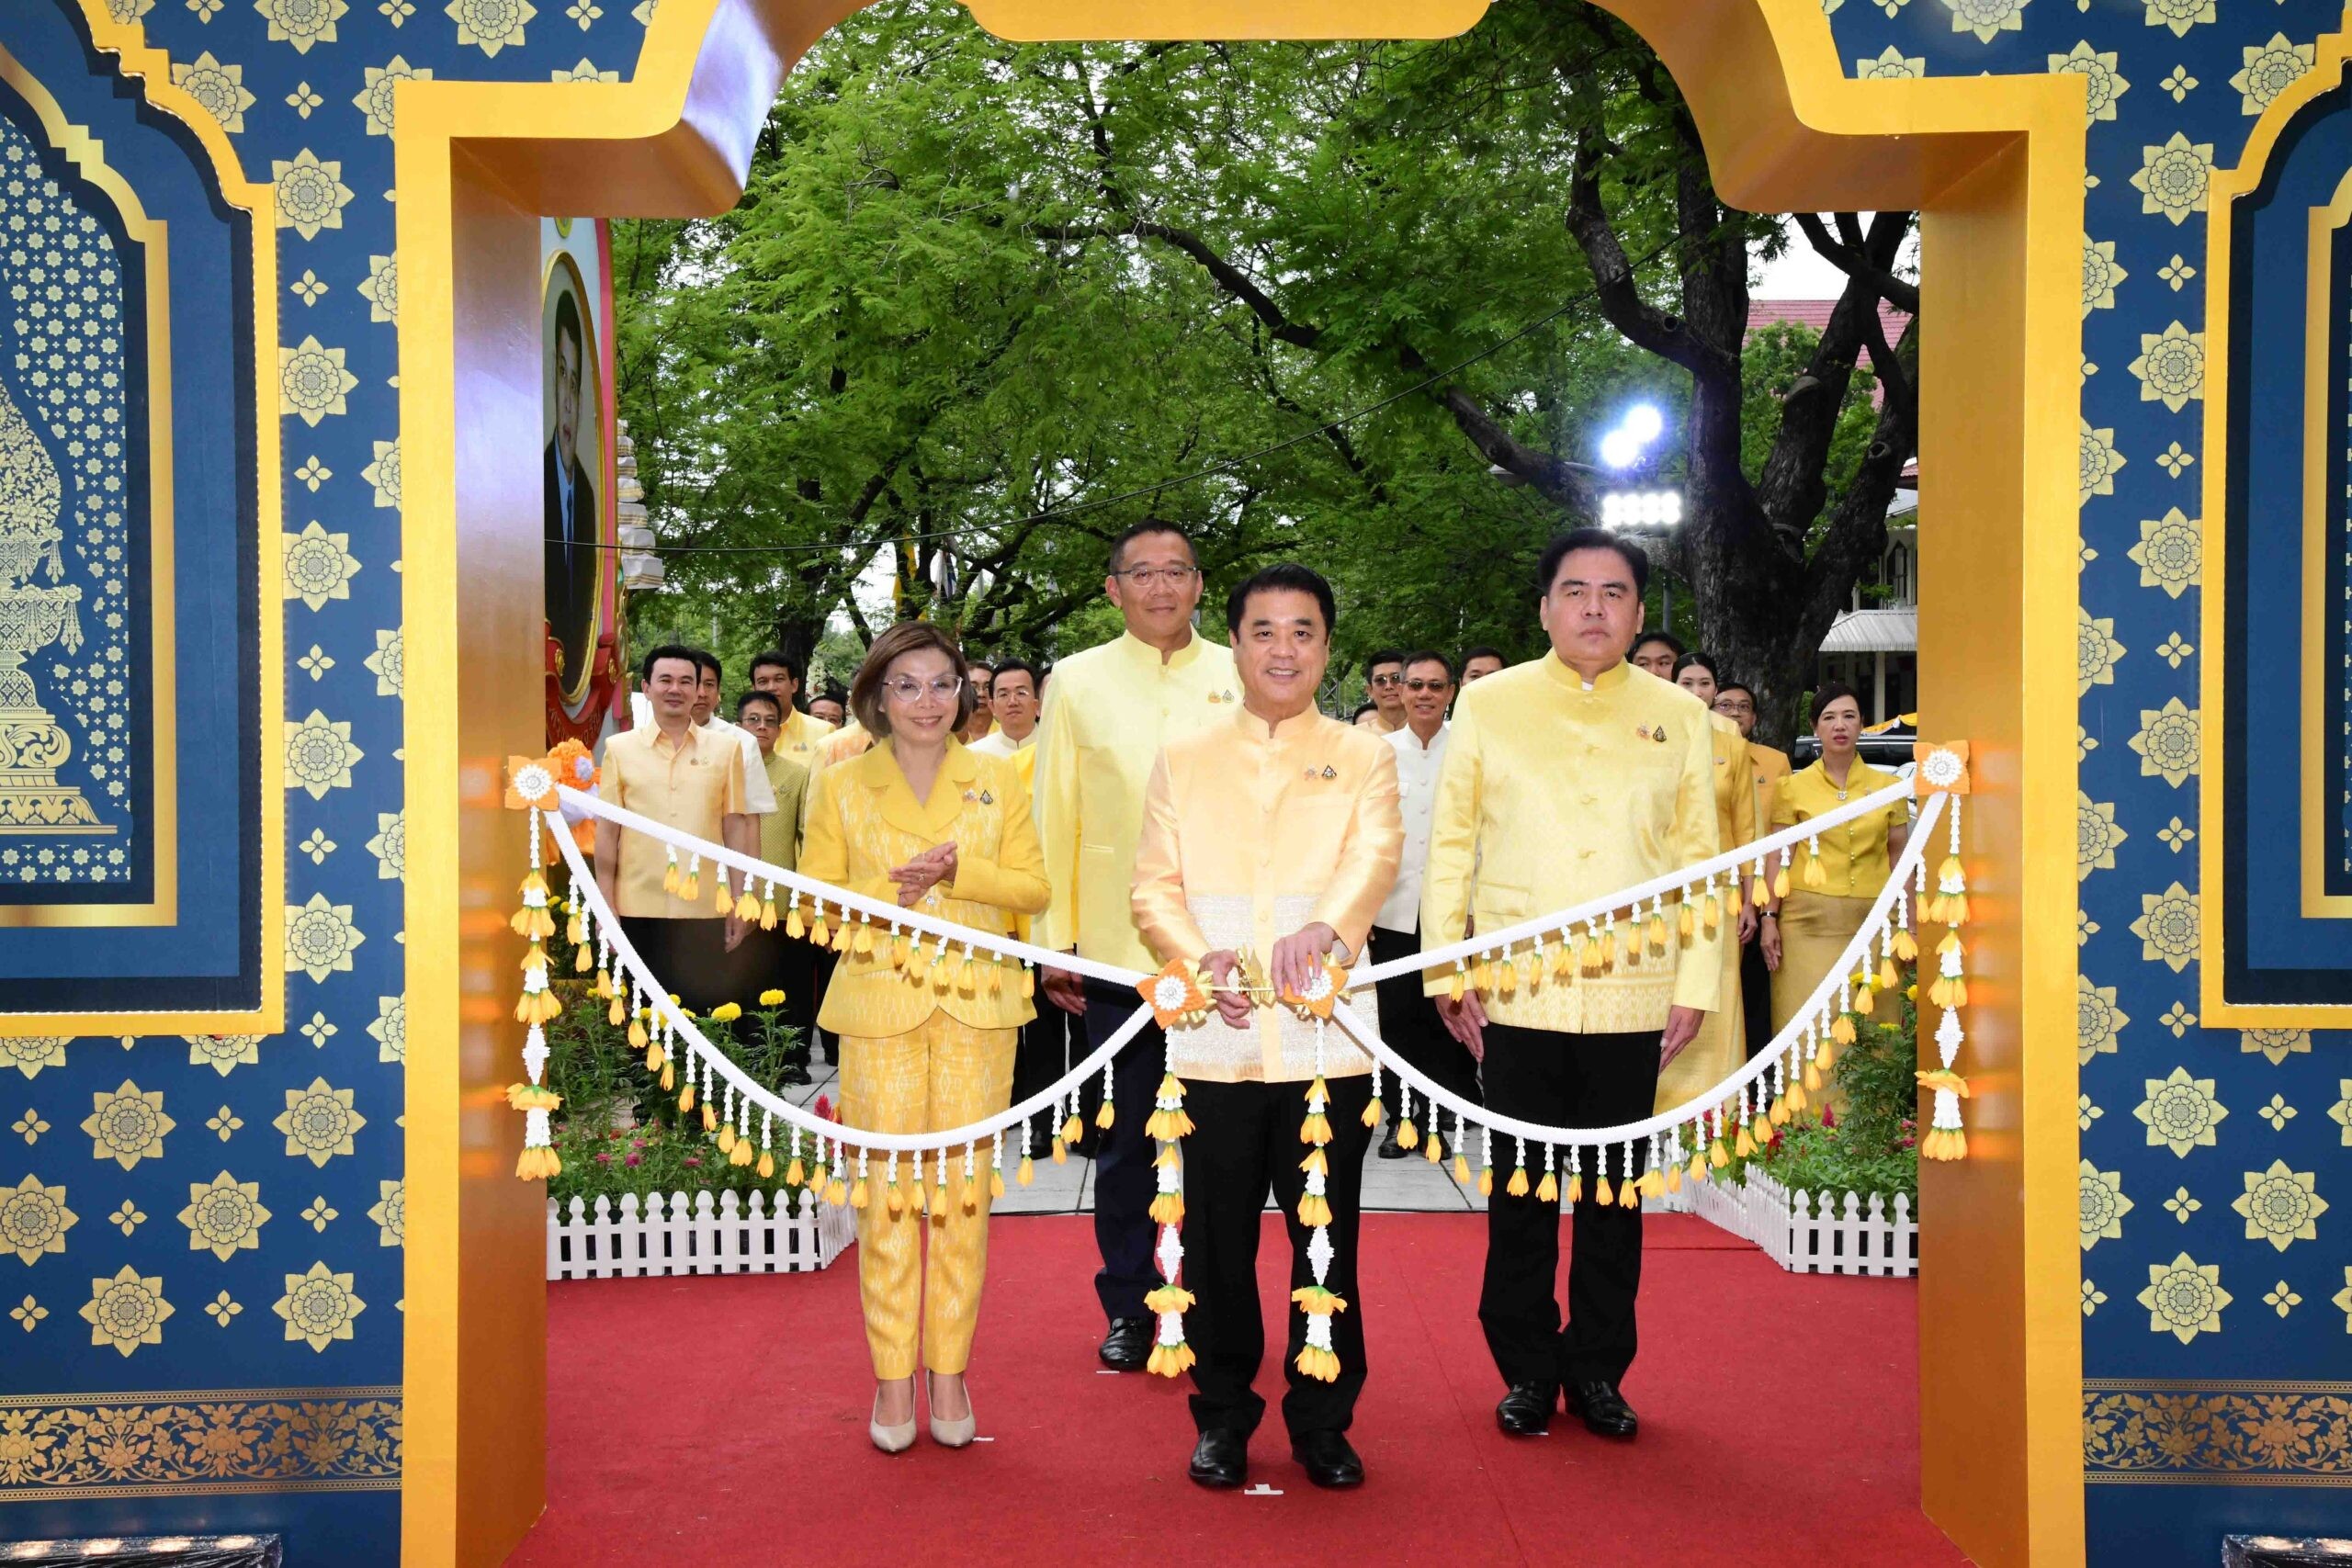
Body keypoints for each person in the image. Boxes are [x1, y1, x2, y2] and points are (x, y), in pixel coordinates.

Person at [1422, 528, 1720, 1443]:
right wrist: (1445, 965)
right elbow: (1453, 839)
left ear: (1639, 611)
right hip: (1515, 990)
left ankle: (1597, 1370)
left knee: (1610, 1201)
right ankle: (1523, 1368)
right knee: (1519, 1195)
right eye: (1575, 591)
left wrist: (1695, 979)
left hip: (1636, 989)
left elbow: (1699, 855)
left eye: (1614, 593)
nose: (1594, 609)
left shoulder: (1679, 714)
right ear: (1545, 606)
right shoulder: (1491, 703)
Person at [1131, 563, 1401, 1492]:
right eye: (1264, 631)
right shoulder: (1184, 752)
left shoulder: (1365, 753)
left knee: (1327, 1239)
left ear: (1328, 647)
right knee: (1213, 1244)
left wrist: (1326, 928)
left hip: (1328, 1043)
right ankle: (1221, 1415)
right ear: (1234, 641)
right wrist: (1195, 962)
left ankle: (1323, 1418)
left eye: (1303, 631)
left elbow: (1375, 855)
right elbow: (1152, 886)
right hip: (1212, 1038)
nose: (1283, 649)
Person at [799, 621, 1048, 1454]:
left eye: (943, 683)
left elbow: (1034, 887)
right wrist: (893, 889)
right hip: (878, 1007)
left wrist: (958, 875)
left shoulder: (999, 779)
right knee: (888, 1201)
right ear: (876, 695)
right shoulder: (837, 786)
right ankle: (890, 1378)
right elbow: (814, 902)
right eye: (906, 685)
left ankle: (949, 1370)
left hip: (981, 1009)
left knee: (962, 1201)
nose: (927, 701)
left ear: (964, 694)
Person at [1031, 519, 1239, 1371]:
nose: (1161, 587)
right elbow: (1056, 814)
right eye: (1141, 573)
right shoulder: (1076, 680)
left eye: (1177, 572)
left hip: (1229, 953)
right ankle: (1129, 1305)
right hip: (1119, 958)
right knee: (1123, 1145)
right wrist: (1056, 944)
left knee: (1224, 1143)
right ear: (1113, 588)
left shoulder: (1242, 671)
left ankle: (1218, 1305)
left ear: (1199, 584)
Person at [595, 645, 753, 1014]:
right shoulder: (619, 749)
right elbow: (607, 834)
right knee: (637, 1020)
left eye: (686, 681)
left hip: (705, 909)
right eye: (665, 680)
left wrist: (740, 900)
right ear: (647, 688)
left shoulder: (727, 750)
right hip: (636, 906)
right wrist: (606, 907)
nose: (675, 689)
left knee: (703, 1018)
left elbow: (735, 829)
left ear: (699, 690)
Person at [1369, 650, 1477, 1157]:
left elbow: (1486, 836)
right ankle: (1401, 1120)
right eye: (1415, 686)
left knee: (1448, 1018)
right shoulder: (1376, 753)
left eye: (1436, 686)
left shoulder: (1472, 749)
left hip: (1455, 913)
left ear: (1451, 692)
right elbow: (1361, 837)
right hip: (1391, 912)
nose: (1425, 695)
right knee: (1395, 1020)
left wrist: (1479, 906)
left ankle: (1441, 1117)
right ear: (1400, 692)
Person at [1763, 683, 1910, 1035]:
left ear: (1862, 724)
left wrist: (1912, 925)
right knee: (1809, 1024)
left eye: (1849, 716)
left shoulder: (1890, 787)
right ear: (1815, 727)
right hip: (1807, 923)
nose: (1839, 725)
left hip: (1875, 920)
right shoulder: (1792, 787)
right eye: (1829, 717)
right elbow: (1779, 856)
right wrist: (1770, 917)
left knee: (1874, 1021)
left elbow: (1900, 858)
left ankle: (1873, 1095)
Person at [1654, 651, 1756, 1111]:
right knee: (1662, 986)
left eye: (1704, 684)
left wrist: (1752, 899)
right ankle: (1654, 1102)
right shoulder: (1652, 733)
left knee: (1715, 990)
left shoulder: (1730, 741)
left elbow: (1747, 826)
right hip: (1658, 886)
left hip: (1718, 887)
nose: (1696, 692)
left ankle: (1716, 1107)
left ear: (1717, 691)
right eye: (1687, 682)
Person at [733, 689, 815, 1084]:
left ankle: (792, 1060)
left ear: (780, 729)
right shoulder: (725, 773)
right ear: (739, 726)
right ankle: (746, 1057)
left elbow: (808, 838)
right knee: (743, 980)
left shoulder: (797, 775)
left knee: (790, 982)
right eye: (753, 720)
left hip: (784, 902)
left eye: (770, 721)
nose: (762, 727)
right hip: (736, 898)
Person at [1713, 679, 1791, 1057]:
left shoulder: (1775, 762)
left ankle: (1757, 1072)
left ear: (1755, 717)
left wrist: (1766, 904)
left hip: (1765, 885)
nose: (1734, 713)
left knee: (1756, 984)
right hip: (1722, 886)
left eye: (1743, 707)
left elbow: (1783, 828)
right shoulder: (1703, 757)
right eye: (1725, 705)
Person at [543, 293, 599, 695]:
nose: (567, 399)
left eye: (576, 383)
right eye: (561, 374)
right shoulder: (528, 487)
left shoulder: (589, 499)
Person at [748, 649, 838, 770]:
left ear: (794, 685)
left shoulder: (824, 732)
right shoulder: (741, 735)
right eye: (763, 681)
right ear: (754, 688)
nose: (771, 687)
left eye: (779, 679)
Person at [969, 659, 1040, 763]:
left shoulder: (1059, 749)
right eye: (1003, 694)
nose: (1013, 702)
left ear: (1037, 703)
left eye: (1021, 693)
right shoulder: (974, 755)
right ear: (992, 706)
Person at [1362, 649, 1408, 733]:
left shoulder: (1429, 731)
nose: (1388, 686)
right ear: (1370, 690)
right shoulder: (1356, 736)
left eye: (1396, 678)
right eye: (1380, 680)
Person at [956, 660, 995, 745]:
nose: (981, 694)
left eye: (987, 687)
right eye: (973, 687)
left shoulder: (1008, 734)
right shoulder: (948, 736)